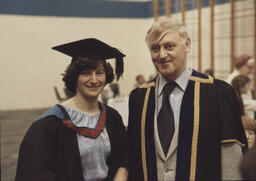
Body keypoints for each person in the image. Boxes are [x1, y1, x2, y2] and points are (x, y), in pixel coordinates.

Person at [126, 18, 247, 181]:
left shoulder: (217, 93)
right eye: (155, 48)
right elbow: (133, 159)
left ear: (187, 45)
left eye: (169, 46)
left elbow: (231, 161)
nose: (162, 55)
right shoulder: (140, 97)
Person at [16, 38, 128, 181]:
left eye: (99, 73)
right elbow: (34, 173)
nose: (94, 80)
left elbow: (124, 158)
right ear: (75, 77)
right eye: (86, 73)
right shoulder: (48, 125)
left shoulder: (112, 118)